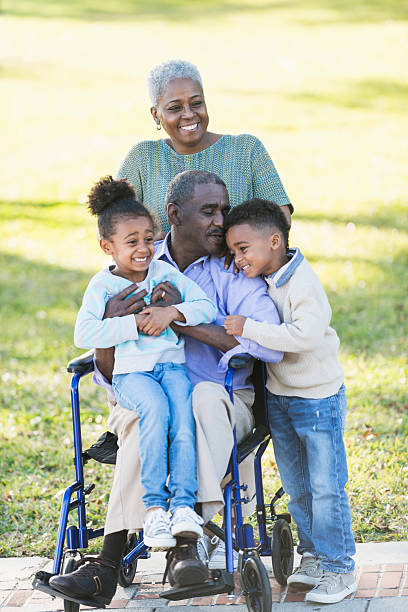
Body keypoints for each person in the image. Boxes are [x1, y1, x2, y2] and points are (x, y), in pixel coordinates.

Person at [49, 170, 283, 607]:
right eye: (209, 211)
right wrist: (111, 329)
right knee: (145, 415)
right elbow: (106, 365)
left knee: (200, 399)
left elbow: (265, 341)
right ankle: (106, 566)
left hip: (223, 393)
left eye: (224, 211)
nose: (221, 221)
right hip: (142, 387)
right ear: (174, 215)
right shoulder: (130, 266)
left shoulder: (233, 271)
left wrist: (175, 319)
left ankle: (185, 546)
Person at [223, 198, 357, 605]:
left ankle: (341, 567)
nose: (238, 259)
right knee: (298, 487)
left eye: (243, 249)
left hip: (317, 400)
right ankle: (314, 556)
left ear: (275, 241)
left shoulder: (302, 283)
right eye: (232, 252)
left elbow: (304, 337)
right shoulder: (265, 277)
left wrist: (250, 327)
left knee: (326, 486)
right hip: (280, 398)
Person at [74, 177, 217, 550]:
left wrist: (172, 312)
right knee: (155, 411)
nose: (143, 249)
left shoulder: (165, 274)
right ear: (108, 246)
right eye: (131, 242)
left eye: (149, 239)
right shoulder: (101, 287)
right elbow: (83, 334)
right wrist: (130, 323)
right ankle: (154, 508)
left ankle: (183, 505)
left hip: (171, 367)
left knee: (183, 419)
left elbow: (207, 308)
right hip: (131, 374)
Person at [117, 59, 293, 232]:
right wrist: (152, 242)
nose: (188, 114)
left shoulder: (246, 150)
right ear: (156, 114)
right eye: (175, 108)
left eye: (196, 103)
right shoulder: (142, 158)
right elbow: (111, 226)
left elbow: (281, 219)